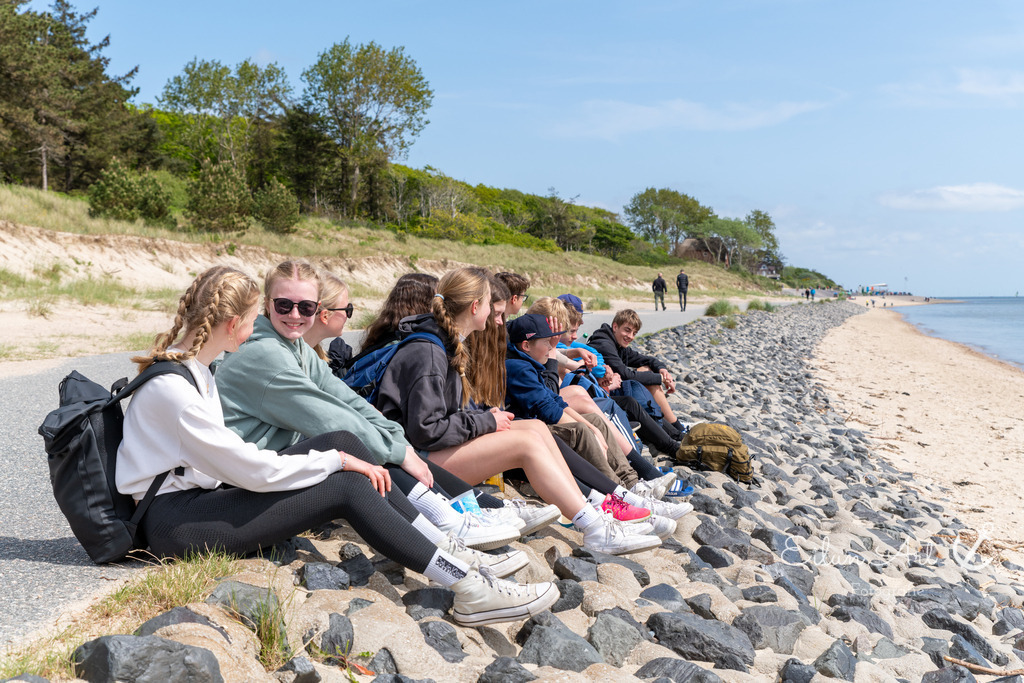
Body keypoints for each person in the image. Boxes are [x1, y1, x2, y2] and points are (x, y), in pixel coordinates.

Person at [116, 265, 557, 627]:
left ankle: (449, 552)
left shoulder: (193, 371)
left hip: (198, 498)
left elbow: (313, 424)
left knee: (343, 446)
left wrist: (340, 453)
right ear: (234, 324)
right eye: (258, 320)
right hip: (175, 525)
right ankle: (468, 588)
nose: (256, 332)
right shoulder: (178, 390)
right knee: (344, 483)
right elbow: (250, 471)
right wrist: (335, 462)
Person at [375, 266, 663, 555]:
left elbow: (445, 415)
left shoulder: (444, 343)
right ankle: (596, 528)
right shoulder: (428, 351)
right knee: (526, 443)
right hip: (414, 463)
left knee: (535, 428)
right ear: (475, 307)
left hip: (426, 450)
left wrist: (486, 417)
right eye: (491, 306)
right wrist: (486, 421)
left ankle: (600, 505)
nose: (498, 318)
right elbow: (425, 431)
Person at [588, 309, 686, 440]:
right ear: (615, 326)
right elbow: (626, 375)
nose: (631, 337)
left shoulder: (617, 343)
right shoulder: (604, 344)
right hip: (605, 393)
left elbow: (647, 359)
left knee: (647, 370)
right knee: (649, 377)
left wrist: (662, 370)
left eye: (634, 333)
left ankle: (674, 427)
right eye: (627, 330)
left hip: (613, 387)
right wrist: (660, 379)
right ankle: (676, 428)